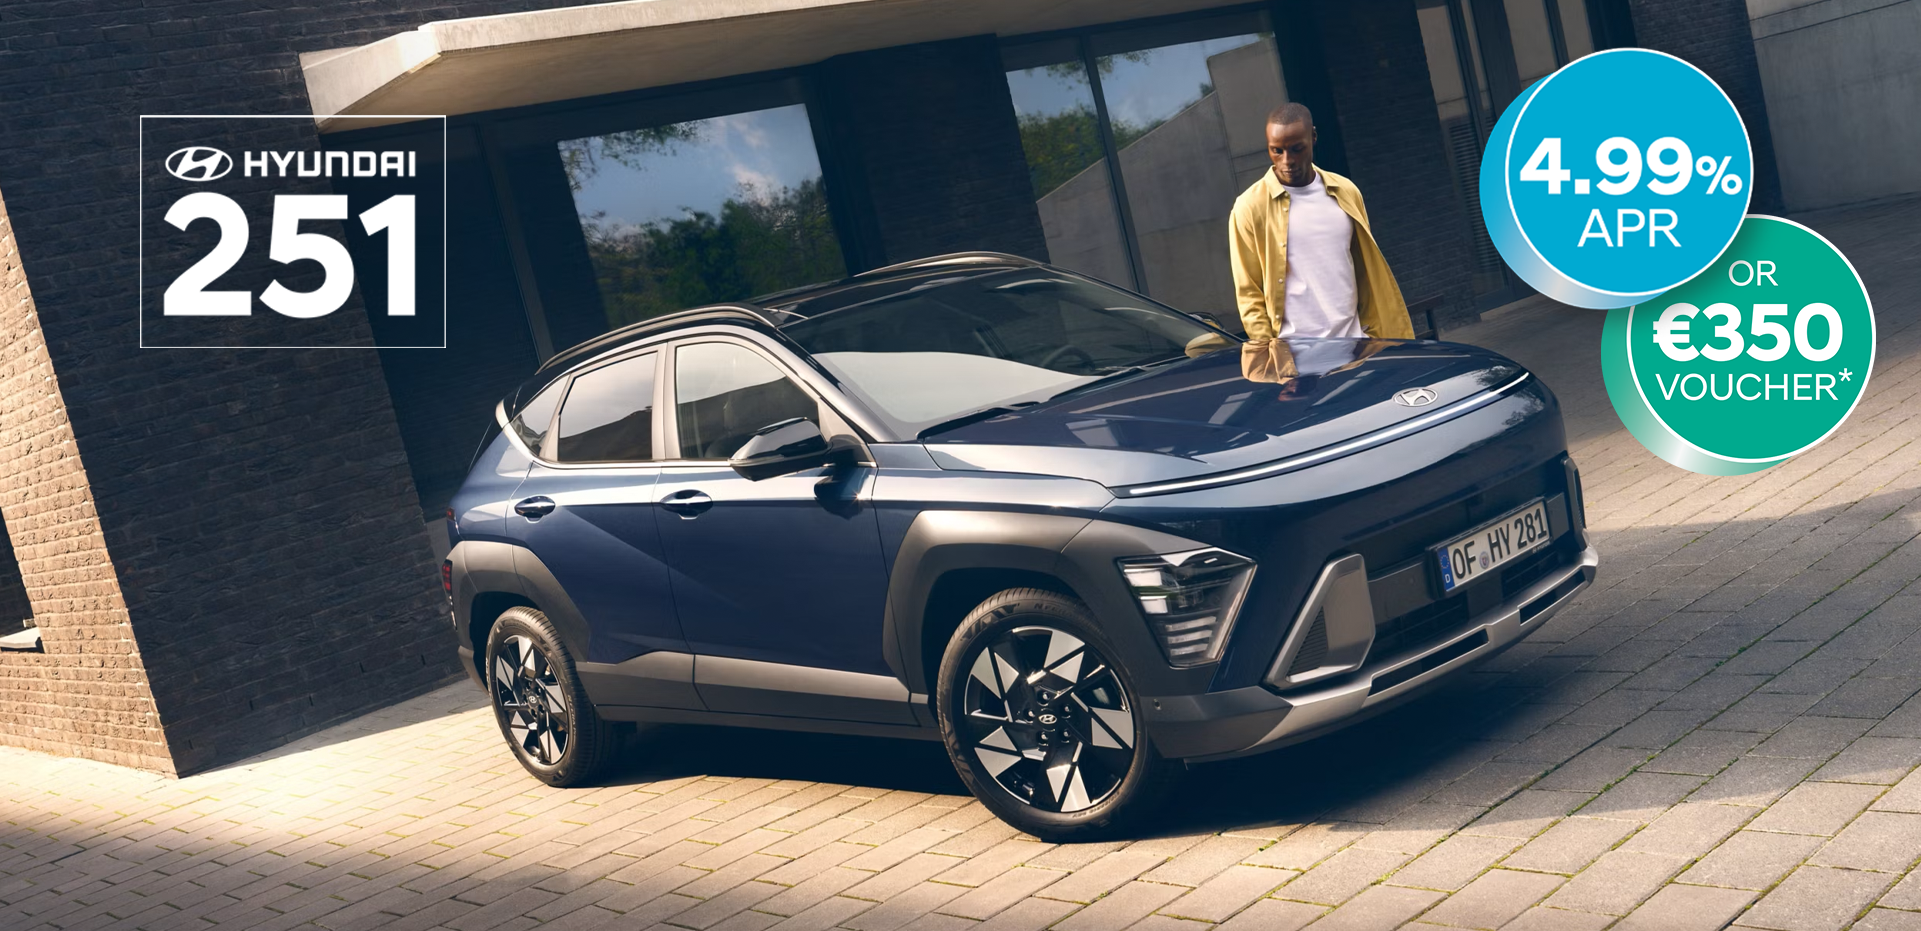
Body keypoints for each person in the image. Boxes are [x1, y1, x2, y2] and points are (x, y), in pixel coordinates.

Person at [1229, 102, 1414, 341]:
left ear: (1313, 137)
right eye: (1277, 151)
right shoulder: (1249, 207)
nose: (1287, 161)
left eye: (1297, 149)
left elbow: (1364, 269)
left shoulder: (1346, 191)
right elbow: (1249, 294)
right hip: (1298, 356)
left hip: (1357, 344)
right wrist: (1272, 355)